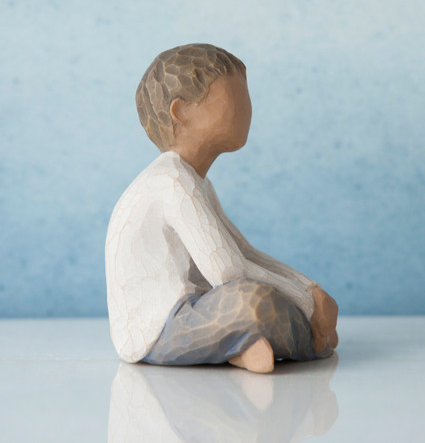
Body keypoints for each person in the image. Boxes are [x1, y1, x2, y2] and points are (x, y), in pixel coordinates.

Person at [105, 43, 338, 373]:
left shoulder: (196, 182)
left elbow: (244, 251)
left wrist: (311, 288)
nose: (247, 109)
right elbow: (228, 272)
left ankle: (241, 346)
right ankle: (268, 340)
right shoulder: (172, 181)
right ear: (181, 112)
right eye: (233, 98)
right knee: (252, 303)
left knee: (258, 301)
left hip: (195, 310)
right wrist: (308, 303)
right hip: (159, 330)